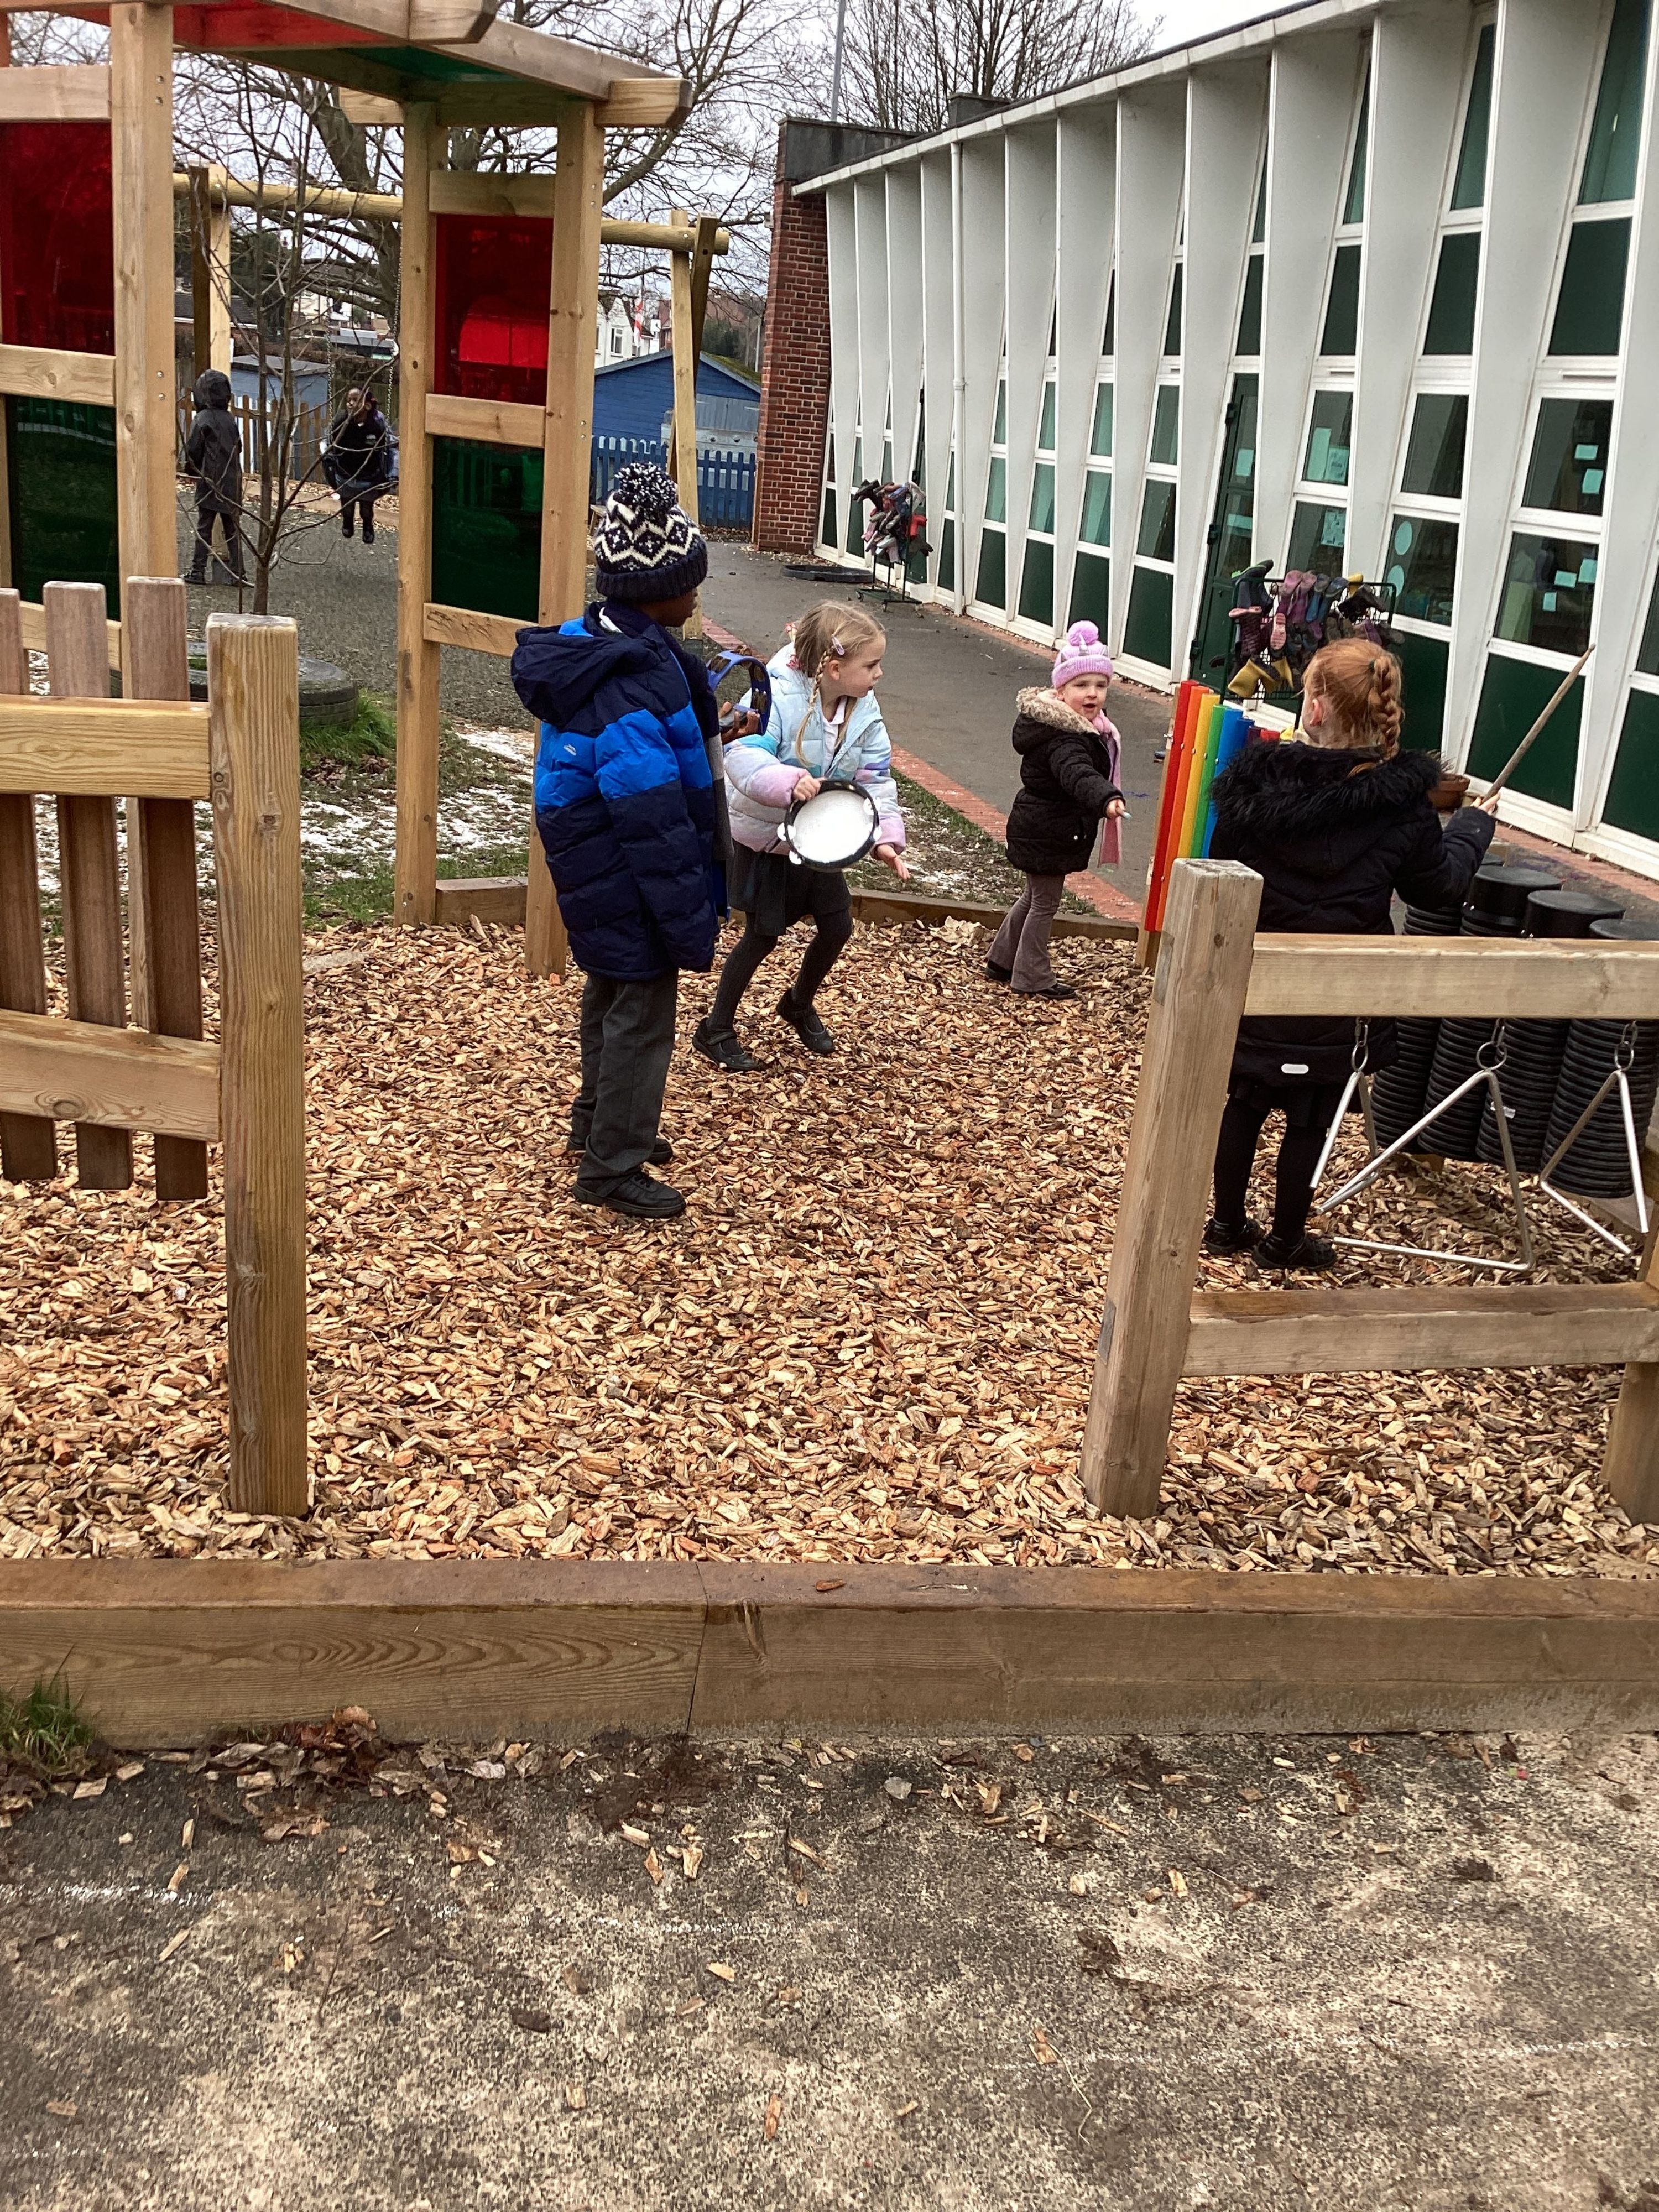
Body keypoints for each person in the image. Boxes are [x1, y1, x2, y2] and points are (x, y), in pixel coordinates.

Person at [1203, 639, 1497, 1271]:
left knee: (1245, 1099)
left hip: (1258, 981)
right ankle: (1285, 1240)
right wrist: (1474, 829)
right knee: (1311, 1115)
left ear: (1314, 707)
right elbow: (1439, 887)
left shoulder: (1255, 784)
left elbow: (1221, 865)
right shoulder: (1402, 805)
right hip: (1337, 993)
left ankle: (1226, 1224)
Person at [510, 461, 723, 1221]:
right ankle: (613, 1165)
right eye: (690, 583)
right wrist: (685, 910)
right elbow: (650, 816)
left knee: (610, 992)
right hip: (628, 872)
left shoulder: (603, 647)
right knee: (642, 1013)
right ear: (656, 591)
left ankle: (599, 1123)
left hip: (596, 864)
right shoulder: (632, 683)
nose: (697, 595)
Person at [693, 602, 908, 1071]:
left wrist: (884, 838)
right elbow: (743, 754)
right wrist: (788, 782)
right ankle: (715, 1028)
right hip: (769, 840)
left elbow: (876, 778)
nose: (879, 674)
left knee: (838, 926)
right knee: (762, 936)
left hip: (820, 839)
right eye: (871, 665)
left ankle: (797, 1003)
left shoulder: (864, 710)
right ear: (835, 668)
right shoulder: (772, 692)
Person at [987, 620, 1125, 1000]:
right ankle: (1031, 976)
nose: (1092, 693)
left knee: (1034, 896)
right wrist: (1106, 797)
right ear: (1061, 691)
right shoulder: (1066, 737)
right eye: (1081, 685)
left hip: (1041, 824)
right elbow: (1078, 774)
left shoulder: (1072, 726)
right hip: (1050, 829)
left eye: (1100, 685)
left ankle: (1002, 959)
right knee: (1045, 903)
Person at [182, 368, 244, 586]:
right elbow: (239, 447)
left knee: (204, 528)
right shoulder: (230, 420)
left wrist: (191, 470)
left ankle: (198, 571)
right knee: (233, 531)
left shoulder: (202, 419)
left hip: (210, 481)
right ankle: (239, 574)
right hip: (233, 481)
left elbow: (194, 450)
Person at [325, 385, 393, 545]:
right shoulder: (341, 421)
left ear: (367, 405)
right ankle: (348, 522)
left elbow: (386, 448)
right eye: (349, 400)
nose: (350, 404)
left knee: (366, 509)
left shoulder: (376, 424)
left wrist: (388, 474)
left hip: (369, 475)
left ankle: (368, 526)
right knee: (347, 506)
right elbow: (331, 444)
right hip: (345, 473)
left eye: (355, 400)